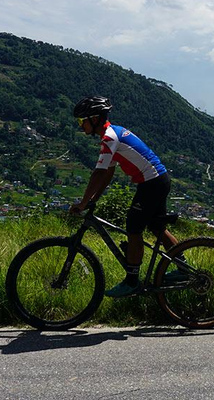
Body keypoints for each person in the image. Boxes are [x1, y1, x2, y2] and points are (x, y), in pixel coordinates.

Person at [69, 96, 180, 298]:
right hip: (157, 179)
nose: (80, 125)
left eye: (81, 121)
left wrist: (84, 202)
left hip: (152, 182)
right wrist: (94, 199)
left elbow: (99, 173)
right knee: (156, 227)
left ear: (94, 119)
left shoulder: (110, 137)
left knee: (133, 228)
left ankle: (132, 281)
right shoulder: (113, 134)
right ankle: (182, 267)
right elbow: (108, 173)